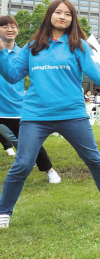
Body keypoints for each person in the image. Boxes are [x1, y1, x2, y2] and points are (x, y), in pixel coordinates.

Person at [0, 0, 100, 228]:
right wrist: (2, 53)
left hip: (72, 114)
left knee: (93, 158)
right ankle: (4, 211)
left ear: (72, 19)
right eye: (58, 12)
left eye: (68, 14)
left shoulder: (78, 45)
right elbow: (13, 76)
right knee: (22, 164)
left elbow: (97, 74)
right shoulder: (33, 46)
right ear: (50, 15)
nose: (62, 17)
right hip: (35, 116)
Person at [0, 15, 62, 183]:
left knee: (30, 143)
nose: (10, 29)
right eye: (5, 26)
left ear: (17, 31)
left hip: (15, 108)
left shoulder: (25, 53)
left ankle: (49, 170)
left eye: (13, 26)